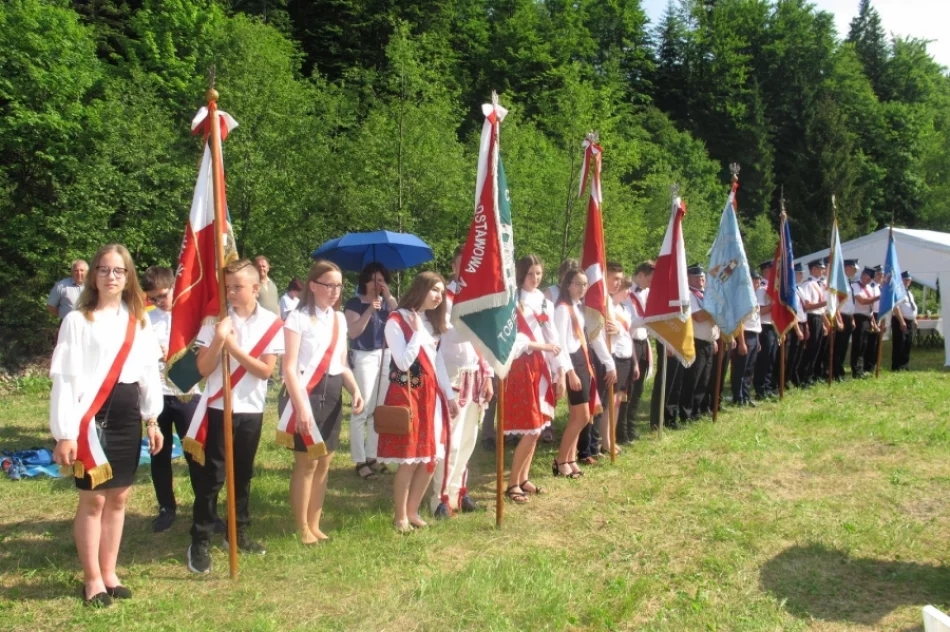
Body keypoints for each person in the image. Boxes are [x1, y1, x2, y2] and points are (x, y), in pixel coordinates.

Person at [50, 244, 164, 606]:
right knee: (93, 501)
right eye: (104, 269)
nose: (111, 276)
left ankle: (110, 572)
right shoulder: (77, 320)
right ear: (93, 276)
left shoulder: (139, 319)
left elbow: (148, 373)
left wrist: (152, 419)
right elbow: (65, 379)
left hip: (128, 416)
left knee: (119, 497)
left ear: (129, 276)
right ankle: (92, 579)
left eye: (119, 270)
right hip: (91, 421)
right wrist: (65, 432)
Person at [186, 259, 284, 574]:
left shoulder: (271, 323)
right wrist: (218, 339)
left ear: (255, 288)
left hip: (251, 410)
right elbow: (201, 369)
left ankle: (237, 533)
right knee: (211, 479)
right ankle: (199, 539)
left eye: (237, 287)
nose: (231, 292)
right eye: (227, 287)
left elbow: (266, 370)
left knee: (242, 476)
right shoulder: (215, 320)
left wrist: (234, 348)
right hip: (218, 407)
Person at [280, 260, 364, 544]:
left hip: (332, 395)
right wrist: (301, 407)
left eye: (339, 285)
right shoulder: (298, 317)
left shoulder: (339, 320)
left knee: (325, 463)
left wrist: (355, 390)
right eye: (329, 285)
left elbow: (341, 363)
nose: (335, 291)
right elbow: (289, 367)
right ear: (313, 286)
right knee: (307, 465)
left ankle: (315, 524)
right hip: (305, 394)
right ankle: (301, 526)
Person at [376, 272, 459, 531]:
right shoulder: (396, 320)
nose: (438, 296)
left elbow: (437, 362)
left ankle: (412, 511)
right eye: (434, 290)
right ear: (420, 289)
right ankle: (400, 515)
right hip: (407, 395)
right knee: (410, 459)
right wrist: (416, 333)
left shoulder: (430, 322)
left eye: (441, 292)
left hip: (430, 396)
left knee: (431, 457)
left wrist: (449, 394)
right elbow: (402, 362)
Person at [433, 248, 494, 515]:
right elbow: (451, 334)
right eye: (463, 264)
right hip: (452, 374)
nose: (469, 269)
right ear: (454, 266)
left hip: (476, 373)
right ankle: (440, 498)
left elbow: (488, 341)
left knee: (469, 438)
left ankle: (459, 491)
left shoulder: (479, 298)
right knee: (451, 440)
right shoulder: (443, 297)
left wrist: (489, 375)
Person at [141, 266, 202, 533]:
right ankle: (166, 507)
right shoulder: (145, 321)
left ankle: (204, 507)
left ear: (174, 288)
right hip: (157, 396)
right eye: (152, 298)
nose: (158, 302)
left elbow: (205, 354)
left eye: (163, 295)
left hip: (188, 394)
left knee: (196, 454)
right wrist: (154, 354)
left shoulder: (193, 316)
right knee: (159, 454)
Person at [502, 255, 565, 503]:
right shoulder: (512, 300)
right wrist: (542, 346)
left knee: (538, 427)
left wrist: (559, 369)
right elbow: (511, 340)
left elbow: (553, 335)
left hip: (541, 364)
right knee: (529, 427)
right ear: (521, 274)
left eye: (539, 273)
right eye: (530, 274)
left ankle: (524, 477)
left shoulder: (542, 300)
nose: (535, 278)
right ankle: (512, 484)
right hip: (521, 365)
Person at [553, 268, 616, 476]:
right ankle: (561, 460)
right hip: (573, 363)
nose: (582, 288)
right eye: (578, 284)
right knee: (581, 416)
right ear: (568, 285)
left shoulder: (578, 307)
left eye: (585, 284)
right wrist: (569, 372)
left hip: (583, 360)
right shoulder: (563, 309)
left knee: (579, 416)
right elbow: (560, 342)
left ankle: (570, 458)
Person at [344, 262, 398, 480]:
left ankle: (373, 455)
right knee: (362, 408)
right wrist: (369, 310)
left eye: (382, 280)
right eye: (375, 280)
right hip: (364, 356)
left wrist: (388, 294)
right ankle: (359, 461)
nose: (379, 284)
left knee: (379, 409)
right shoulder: (354, 304)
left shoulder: (386, 303)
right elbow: (354, 333)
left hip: (384, 356)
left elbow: (400, 313)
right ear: (365, 281)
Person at [599, 262, 638, 453]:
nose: (627, 292)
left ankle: (610, 438)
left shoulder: (623, 309)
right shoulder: (607, 307)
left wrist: (635, 362)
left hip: (626, 358)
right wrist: (621, 332)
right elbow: (611, 332)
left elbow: (626, 335)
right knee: (609, 402)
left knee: (618, 401)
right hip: (613, 357)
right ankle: (605, 441)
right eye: (624, 288)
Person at [679, 264, 717, 422]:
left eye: (702, 277)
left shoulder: (704, 294)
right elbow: (699, 317)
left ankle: (696, 411)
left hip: (708, 340)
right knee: (692, 379)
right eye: (696, 277)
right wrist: (716, 309)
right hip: (696, 341)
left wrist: (714, 339)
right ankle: (686, 412)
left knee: (704, 379)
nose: (701, 280)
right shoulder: (689, 294)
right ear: (688, 277)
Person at [621, 262, 653, 442]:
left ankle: (631, 428)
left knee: (638, 389)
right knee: (628, 390)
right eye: (649, 278)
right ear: (640, 275)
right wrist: (651, 318)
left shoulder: (646, 292)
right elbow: (630, 323)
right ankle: (622, 430)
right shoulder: (626, 293)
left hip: (643, 342)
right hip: (630, 342)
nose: (650, 283)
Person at [732, 271, 761, 407]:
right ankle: (738, 397)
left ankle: (746, 395)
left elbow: (756, 320)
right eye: (755, 280)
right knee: (741, 368)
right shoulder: (742, 298)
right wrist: (742, 342)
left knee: (749, 369)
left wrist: (758, 340)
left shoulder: (754, 297)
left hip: (754, 334)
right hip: (745, 335)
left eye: (759, 280)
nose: (758, 283)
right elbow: (739, 321)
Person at [799, 259, 828, 386]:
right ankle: (804, 376)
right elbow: (807, 306)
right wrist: (826, 303)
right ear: (814, 269)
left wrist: (824, 322)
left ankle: (811, 374)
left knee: (817, 348)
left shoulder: (819, 284)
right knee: (810, 348)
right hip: (811, 318)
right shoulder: (808, 284)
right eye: (820, 268)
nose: (823, 271)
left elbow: (820, 308)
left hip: (818, 317)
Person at [754, 261, 778, 399]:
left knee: (772, 358)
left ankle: (768, 386)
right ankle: (761, 389)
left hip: (773, 326)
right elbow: (760, 311)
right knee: (764, 359)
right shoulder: (762, 289)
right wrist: (775, 305)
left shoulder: (773, 288)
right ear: (766, 271)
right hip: (764, 326)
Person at [834, 259, 859, 381]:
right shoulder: (840, 282)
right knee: (838, 346)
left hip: (848, 316)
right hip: (841, 315)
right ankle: (836, 372)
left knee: (844, 347)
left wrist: (852, 318)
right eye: (853, 268)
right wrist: (839, 319)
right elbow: (836, 302)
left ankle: (840, 370)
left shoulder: (848, 282)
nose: (854, 271)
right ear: (847, 267)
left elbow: (850, 303)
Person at [851, 266, 878, 378]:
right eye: (865, 275)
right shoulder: (855, 286)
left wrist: (873, 321)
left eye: (869, 277)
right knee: (858, 344)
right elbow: (862, 301)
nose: (867, 278)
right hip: (858, 317)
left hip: (867, 317)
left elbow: (871, 307)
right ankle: (855, 369)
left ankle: (861, 368)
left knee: (864, 345)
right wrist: (878, 297)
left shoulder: (870, 289)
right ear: (862, 275)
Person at [892, 271, 916, 371]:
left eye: (909, 280)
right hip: (900, 320)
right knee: (900, 343)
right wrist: (901, 321)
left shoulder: (909, 292)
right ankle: (897, 366)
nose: (907, 282)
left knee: (908, 344)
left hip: (909, 321)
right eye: (905, 280)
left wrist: (914, 319)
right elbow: (896, 307)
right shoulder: (897, 291)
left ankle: (904, 365)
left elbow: (911, 306)